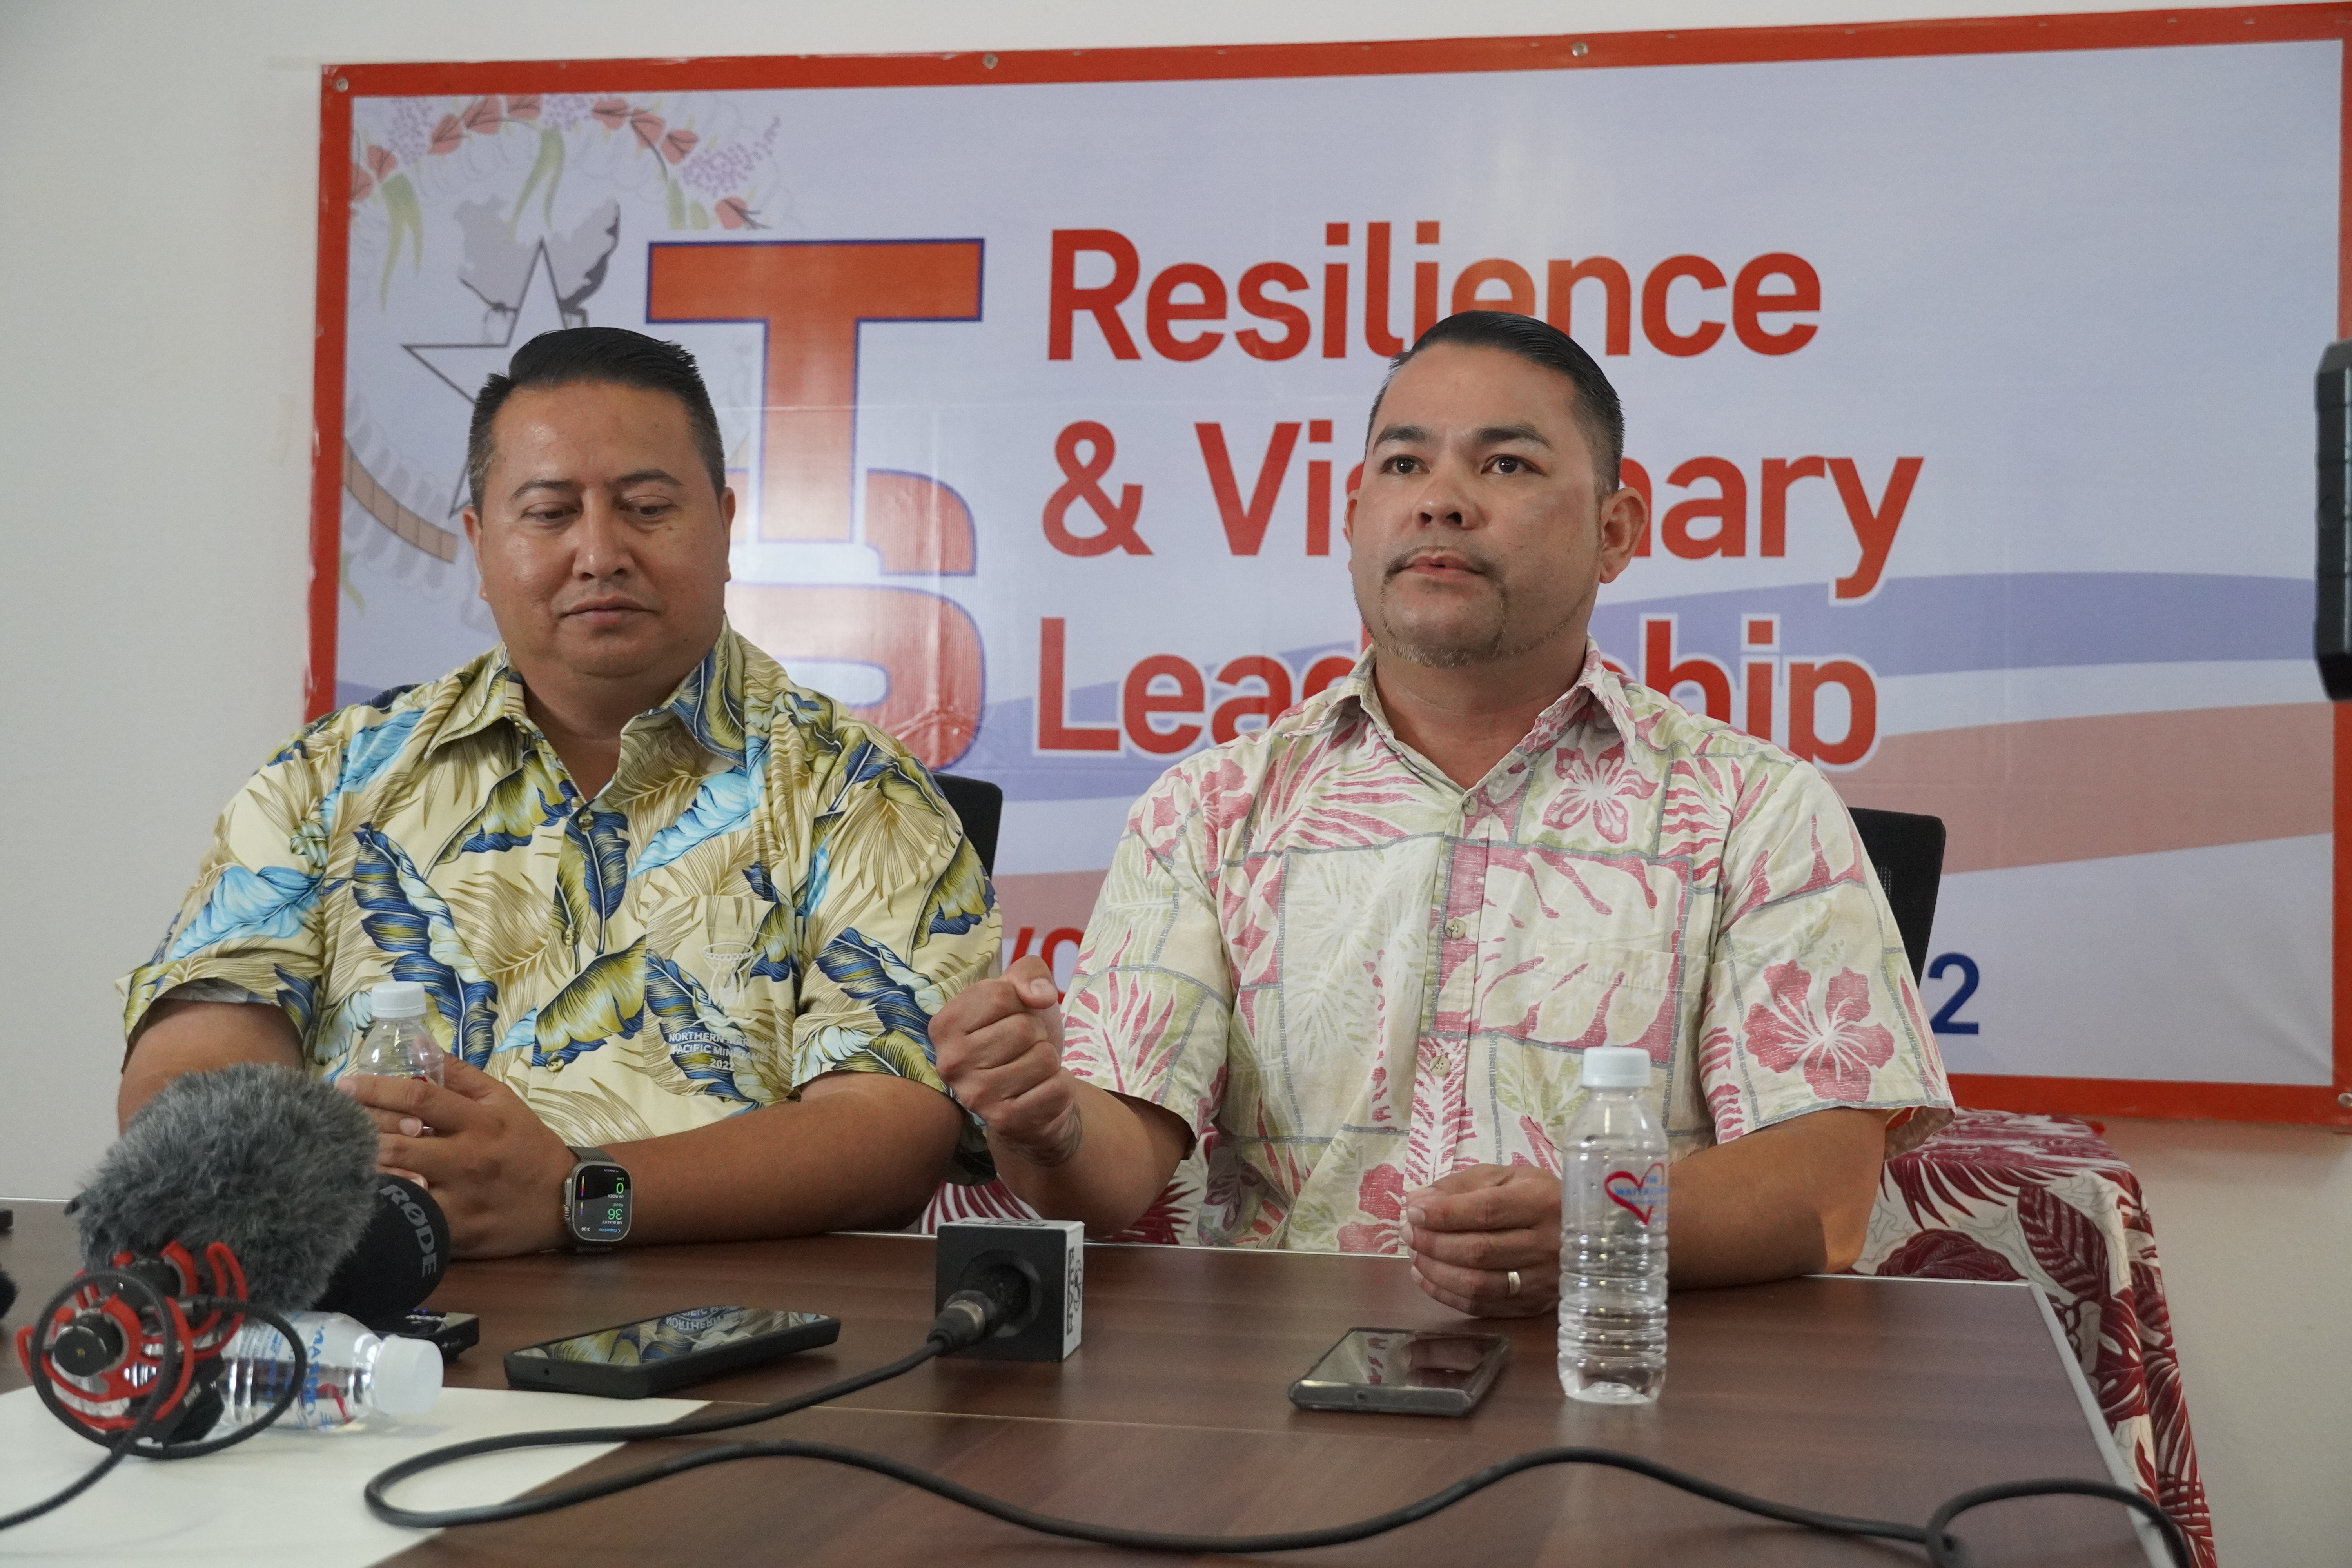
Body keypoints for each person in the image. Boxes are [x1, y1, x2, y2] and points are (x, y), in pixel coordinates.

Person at [933, 311, 1951, 1316]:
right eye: (1405, 465)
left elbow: (1827, 1192)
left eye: (1506, 466)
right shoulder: (1210, 810)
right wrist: (1044, 1119)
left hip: (1626, 1383)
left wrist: (1605, 1225)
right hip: (1286, 1408)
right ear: (1353, 516)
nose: (1443, 503)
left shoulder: (1752, 810)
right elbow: (1115, 1169)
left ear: (1615, 531)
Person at [120, 327, 996, 1256]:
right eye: (549, 512)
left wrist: (580, 1197)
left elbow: (891, 1135)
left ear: (726, 524)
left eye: (648, 506)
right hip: (381, 1329)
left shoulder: (859, 793)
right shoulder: (327, 780)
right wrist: (333, 1179)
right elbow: (187, 1070)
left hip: (732, 1348)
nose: (600, 552)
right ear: (479, 543)